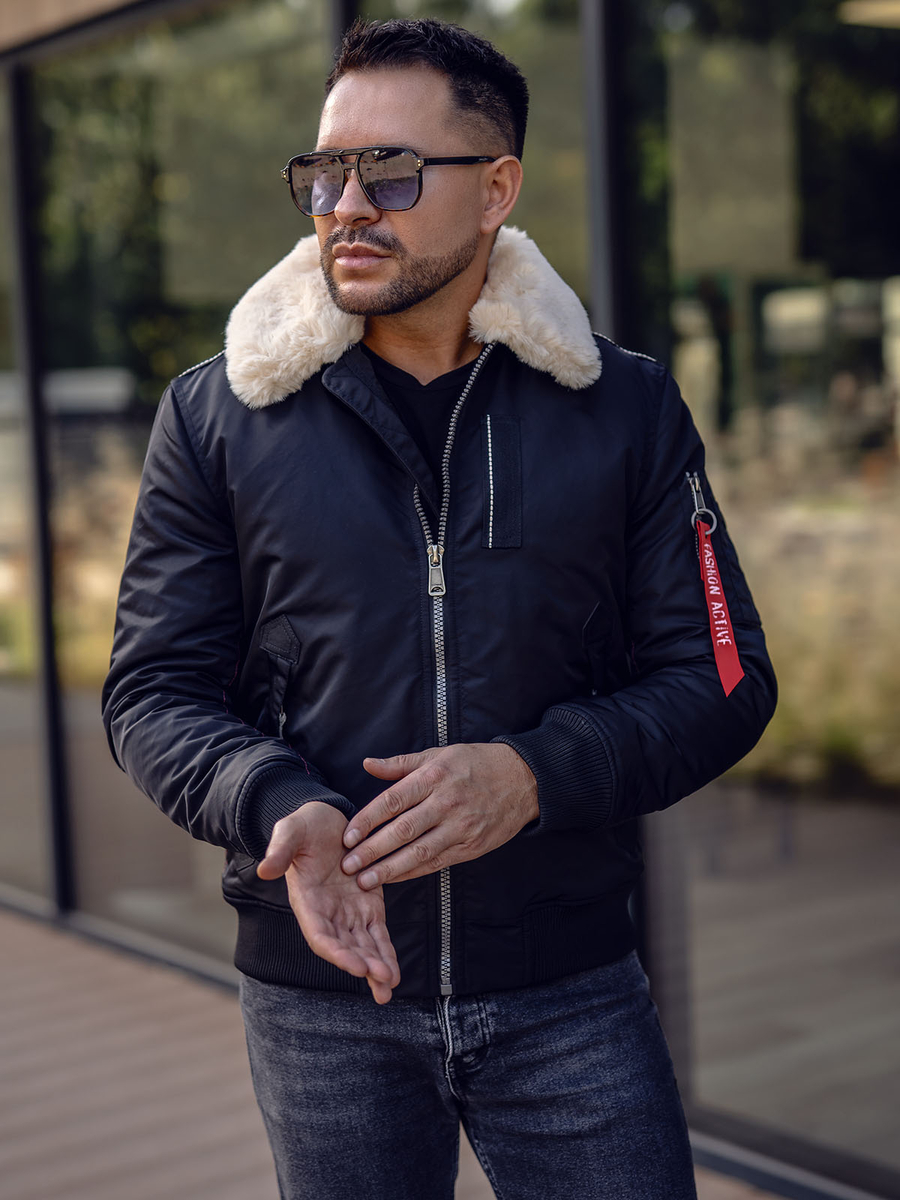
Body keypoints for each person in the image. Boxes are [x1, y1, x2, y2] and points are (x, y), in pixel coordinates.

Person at [102, 17, 776, 1200]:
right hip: (321, 1002)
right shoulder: (218, 417)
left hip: (568, 987)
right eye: (325, 173)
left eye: (393, 172)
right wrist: (276, 802)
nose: (347, 207)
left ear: (496, 189)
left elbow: (721, 676)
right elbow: (152, 691)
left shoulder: (621, 407)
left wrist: (534, 775)